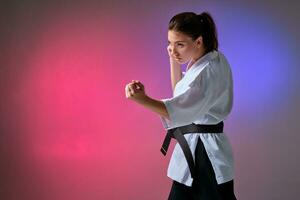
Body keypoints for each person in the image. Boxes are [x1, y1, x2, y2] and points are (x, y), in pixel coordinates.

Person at [125, 11, 237, 200]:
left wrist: (142, 99)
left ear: (199, 41)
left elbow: (178, 111)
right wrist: (173, 58)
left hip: (205, 154)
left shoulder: (207, 72)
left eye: (180, 44)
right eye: (170, 43)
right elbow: (180, 93)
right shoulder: (208, 59)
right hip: (199, 147)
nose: (173, 49)